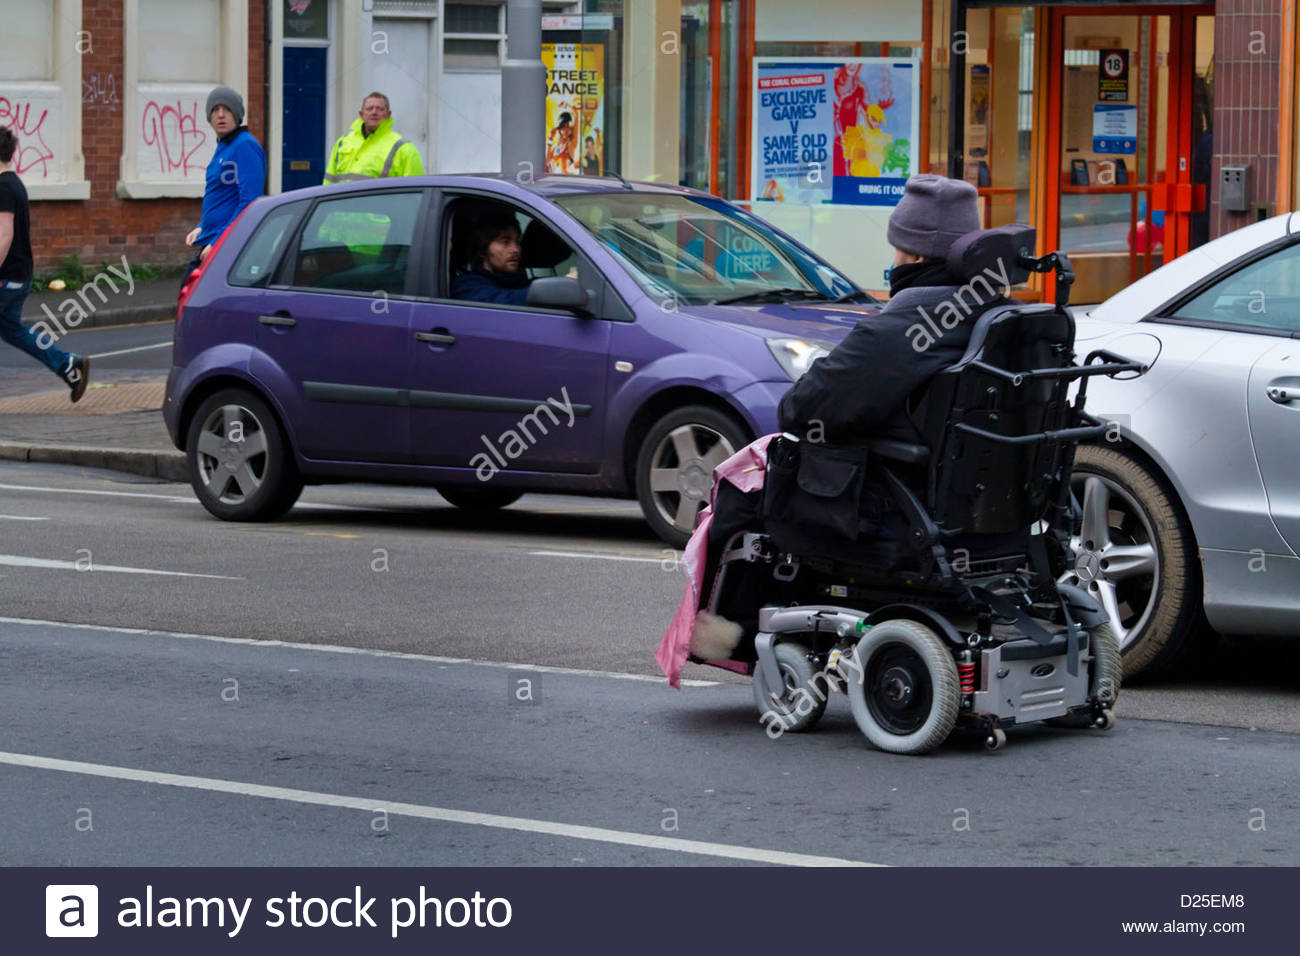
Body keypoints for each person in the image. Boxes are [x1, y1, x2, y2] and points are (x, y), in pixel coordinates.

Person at [779, 174, 1001, 445]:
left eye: (897, 250)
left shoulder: (892, 335)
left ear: (916, 256)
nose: (893, 261)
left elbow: (801, 410)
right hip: (1009, 483)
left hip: (898, 482)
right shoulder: (1015, 322)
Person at [0, 126, 89, 401]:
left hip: (6, 278)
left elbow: (4, 233)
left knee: (13, 330)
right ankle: (67, 364)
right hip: (19, 275)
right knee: (14, 331)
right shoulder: (14, 182)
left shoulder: (3, 186)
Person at [183, 86, 265, 286]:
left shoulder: (245, 146)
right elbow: (219, 195)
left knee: (193, 301)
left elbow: (249, 203)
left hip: (227, 247)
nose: (220, 115)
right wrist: (202, 226)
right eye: (215, 109)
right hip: (211, 243)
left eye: (227, 109)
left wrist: (218, 242)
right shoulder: (224, 146)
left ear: (237, 115)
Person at [324, 92, 424, 184]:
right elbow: (329, 181)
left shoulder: (404, 148)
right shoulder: (343, 142)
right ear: (361, 114)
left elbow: (414, 190)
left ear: (388, 115)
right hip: (344, 203)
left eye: (380, 109)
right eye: (369, 108)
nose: (374, 112)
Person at [451, 210, 531, 306]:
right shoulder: (467, 285)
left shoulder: (524, 283)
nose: (516, 249)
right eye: (505, 242)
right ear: (483, 251)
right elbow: (502, 303)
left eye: (517, 242)